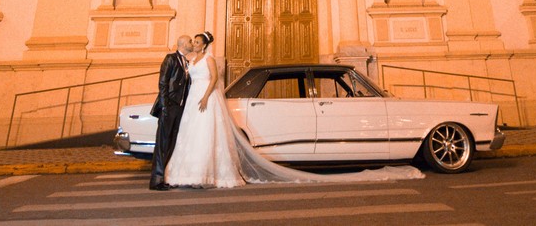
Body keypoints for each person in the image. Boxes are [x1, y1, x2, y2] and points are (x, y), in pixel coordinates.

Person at [165, 31, 424, 188]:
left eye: (198, 41)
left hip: (203, 99)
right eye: (194, 41)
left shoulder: (203, 58)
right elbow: (186, 70)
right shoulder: (194, 58)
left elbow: (208, 77)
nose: (195, 44)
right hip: (199, 102)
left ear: (204, 44)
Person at [149, 35, 193, 190]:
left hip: (180, 108)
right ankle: (156, 180)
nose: (192, 44)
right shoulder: (171, 59)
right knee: (162, 143)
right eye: (189, 41)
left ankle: (164, 176)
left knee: (172, 142)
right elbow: (163, 82)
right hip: (169, 106)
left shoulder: (187, 62)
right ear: (182, 44)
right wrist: (164, 106)